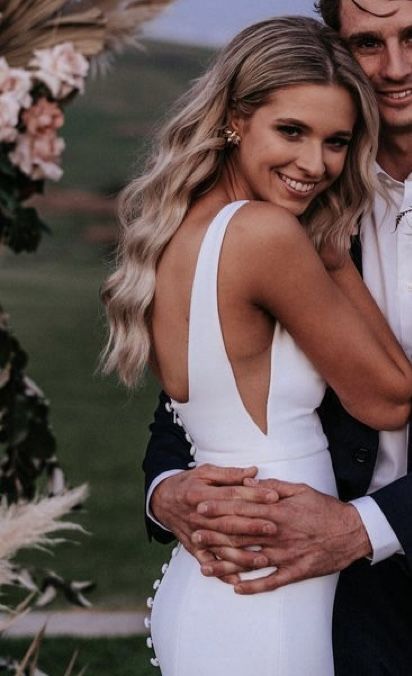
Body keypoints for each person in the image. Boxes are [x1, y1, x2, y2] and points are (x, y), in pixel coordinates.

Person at [143, 2, 412, 674]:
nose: (396, 67)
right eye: (369, 44)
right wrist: (170, 490)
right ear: (237, 120)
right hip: (295, 587)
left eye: (333, 142)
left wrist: (370, 527)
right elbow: (181, 418)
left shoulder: (224, 219)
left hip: (274, 575)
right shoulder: (284, 224)